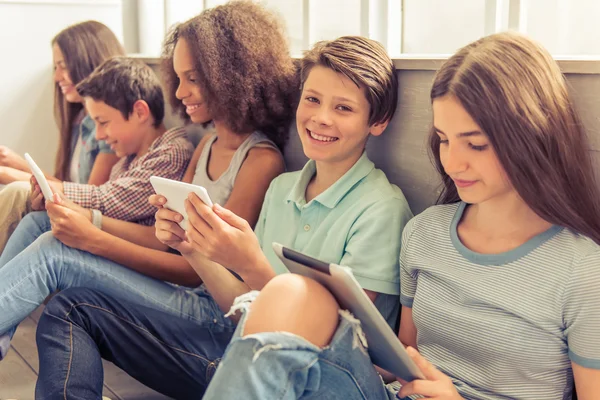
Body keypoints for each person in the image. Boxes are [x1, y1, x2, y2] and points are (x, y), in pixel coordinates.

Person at [201, 32, 600, 399]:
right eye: (443, 140)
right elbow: (400, 360)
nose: (453, 162)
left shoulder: (581, 271)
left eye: (475, 144)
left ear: (531, 135)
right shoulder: (424, 233)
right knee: (295, 292)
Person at [34, 33, 413, 399]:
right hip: (235, 354)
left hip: (311, 379)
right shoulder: (282, 189)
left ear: (377, 121)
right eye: (312, 99)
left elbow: (324, 337)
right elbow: (242, 312)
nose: (320, 118)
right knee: (71, 308)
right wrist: (192, 249)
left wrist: (250, 264)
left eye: (343, 107)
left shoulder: (381, 209)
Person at [0, 0, 298, 364]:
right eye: (180, 77)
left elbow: (195, 272)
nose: (179, 93)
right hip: (175, 286)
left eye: (193, 78)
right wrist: (90, 224)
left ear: (231, 75)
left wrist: (94, 238)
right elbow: (166, 244)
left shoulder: (260, 161)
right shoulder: (205, 145)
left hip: (207, 309)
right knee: (40, 222)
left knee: (53, 253)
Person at [0, 56, 193, 359]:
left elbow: (107, 199)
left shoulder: (170, 153)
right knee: (38, 220)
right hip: (124, 254)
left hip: (151, 275)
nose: (100, 135)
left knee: (47, 238)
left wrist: (55, 191)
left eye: (103, 122)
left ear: (140, 111)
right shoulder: (129, 158)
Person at [0, 20, 122, 250]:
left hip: (89, 222)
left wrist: (13, 170)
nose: (57, 77)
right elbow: (68, 186)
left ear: (88, 63)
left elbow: (89, 197)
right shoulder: (81, 121)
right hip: (71, 212)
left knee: (17, 190)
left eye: (63, 66)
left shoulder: (110, 131)